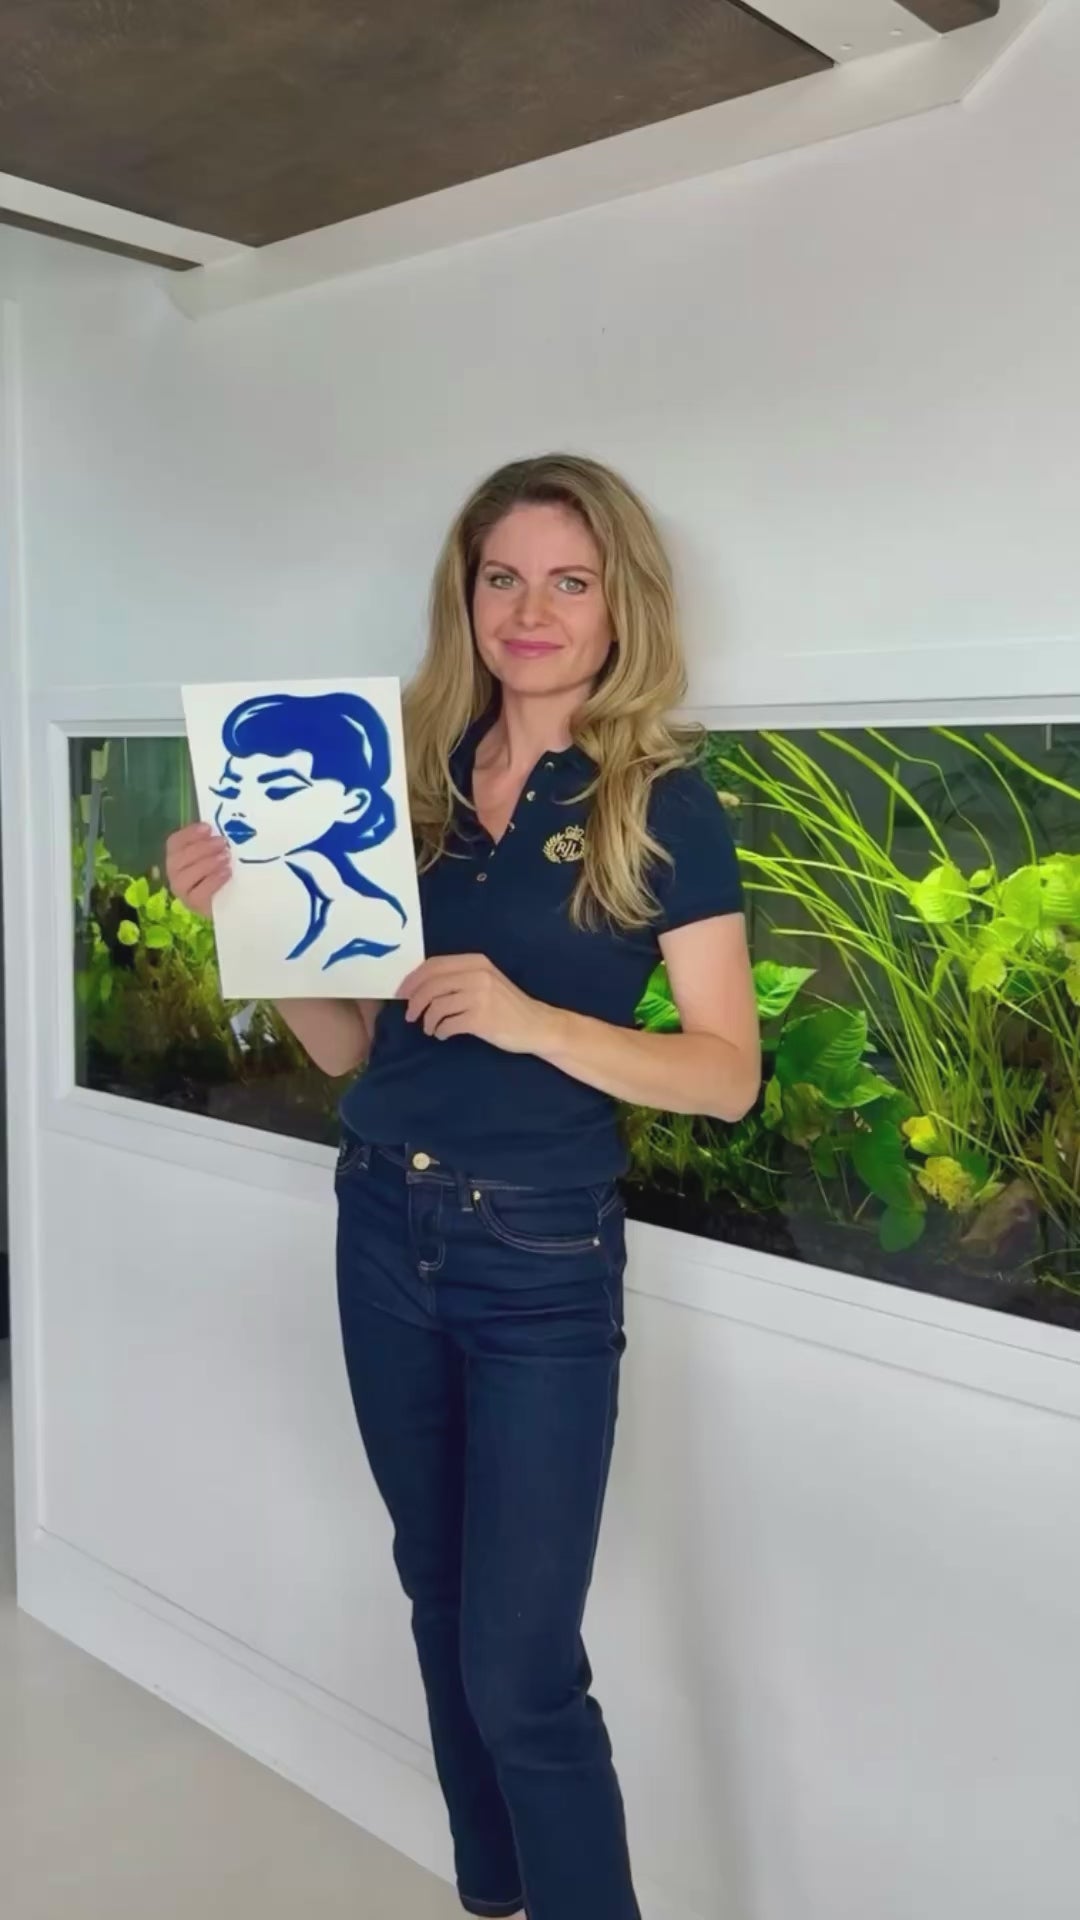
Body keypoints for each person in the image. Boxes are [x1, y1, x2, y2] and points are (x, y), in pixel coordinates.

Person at [166, 453, 760, 1920]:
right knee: (435, 1593)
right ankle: (491, 1893)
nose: (531, 611)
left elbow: (726, 1073)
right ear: (467, 594)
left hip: (540, 1259)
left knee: (523, 1669)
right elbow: (345, 1046)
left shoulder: (661, 800)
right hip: (382, 1222)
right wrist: (243, 916)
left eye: (569, 580)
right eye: (504, 577)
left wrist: (531, 1018)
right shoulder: (401, 783)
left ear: (619, 602)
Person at [210, 689, 408, 968]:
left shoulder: (370, 924)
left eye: (278, 791)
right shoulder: (269, 888)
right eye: (229, 790)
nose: (240, 808)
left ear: (353, 803)